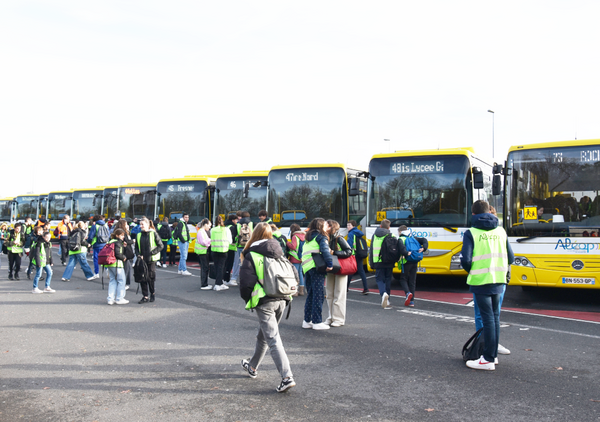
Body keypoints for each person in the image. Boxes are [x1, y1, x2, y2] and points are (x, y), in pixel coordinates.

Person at [239, 222, 296, 393]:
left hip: (265, 300)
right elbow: (293, 273)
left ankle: (287, 377)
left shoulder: (252, 255)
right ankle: (253, 366)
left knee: (272, 338)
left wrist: (249, 299)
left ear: (254, 234)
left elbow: (246, 283)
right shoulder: (279, 251)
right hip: (283, 298)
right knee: (263, 334)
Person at [461, 200, 514, 371]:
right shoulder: (501, 231)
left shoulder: (472, 233)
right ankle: (493, 355)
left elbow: (466, 259)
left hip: (481, 280)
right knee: (495, 317)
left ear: (473, 214)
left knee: (487, 319)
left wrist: (472, 270)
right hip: (499, 278)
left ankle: (488, 359)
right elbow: (511, 258)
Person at [301, 218, 333, 330]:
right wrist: (330, 263)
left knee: (310, 294)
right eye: (324, 224)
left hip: (306, 267)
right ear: (320, 226)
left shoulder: (307, 238)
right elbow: (325, 250)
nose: (326, 226)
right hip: (316, 267)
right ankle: (317, 321)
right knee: (318, 295)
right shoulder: (321, 237)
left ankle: (307, 320)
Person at [325, 220, 352, 327]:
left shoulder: (339, 238)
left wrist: (334, 253)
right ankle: (331, 317)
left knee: (339, 294)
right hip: (332, 268)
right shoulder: (327, 238)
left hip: (340, 268)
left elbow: (348, 251)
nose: (324, 227)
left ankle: (339, 319)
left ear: (332, 227)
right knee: (330, 294)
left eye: (327, 225)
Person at [397, 225, 428, 307]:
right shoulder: (414, 238)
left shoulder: (401, 239)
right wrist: (424, 248)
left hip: (407, 261)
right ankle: (412, 302)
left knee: (403, 279)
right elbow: (424, 240)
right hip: (415, 260)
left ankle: (408, 293)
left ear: (400, 232)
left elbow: (401, 249)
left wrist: (406, 253)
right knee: (412, 280)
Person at [135, 217, 163, 304]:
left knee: (150, 278)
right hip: (142, 260)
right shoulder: (139, 235)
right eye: (140, 224)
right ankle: (145, 296)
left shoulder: (153, 234)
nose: (141, 226)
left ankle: (152, 293)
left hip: (151, 260)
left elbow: (161, 245)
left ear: (147, 225)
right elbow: (136, 248)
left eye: (142, 224)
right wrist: (138, 255)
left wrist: (152, 252)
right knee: (142, 278)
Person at [369, 219, 395, 309]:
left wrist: (371, 263)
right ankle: (387, 300)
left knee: (379, 279)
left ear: (380, 226)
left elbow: (371, 250)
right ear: (389, 227)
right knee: (388, 280)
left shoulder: (375, 235)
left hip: (378, 261)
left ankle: (383, 293)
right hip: (389, 261)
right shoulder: (391, 235)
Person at [103, 228, 129, 305]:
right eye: (121, 235)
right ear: (117, 235)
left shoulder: (110, 242)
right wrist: (123, 257)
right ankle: (120, 298)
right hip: (117, 264)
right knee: (121, 281)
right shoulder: (118, 243)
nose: (123, 237)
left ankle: (110, 299)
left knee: (112, 281)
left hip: (109, 263)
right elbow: (117, 254)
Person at [346, 220, 369, 295]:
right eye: (347, 225)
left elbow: (349, 245)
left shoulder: (351, 234)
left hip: (353, 254)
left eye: (349, 225)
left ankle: (346, 288)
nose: (348, 227)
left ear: (353, 226)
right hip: (360, 253)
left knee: (350, 271)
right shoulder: (359, 233)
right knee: (361, 271)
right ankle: (366, 288)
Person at [210, 215, 232, 291]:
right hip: (223, 250)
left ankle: (220, 283)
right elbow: (230, 241)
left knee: (217, 267)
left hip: (214, 250)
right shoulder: (226, 229)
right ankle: (218, 284)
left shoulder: (212, 229)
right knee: (221, 267)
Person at [112, 219, 135, 290]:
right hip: (124, 252)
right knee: (126, 268)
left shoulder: (121, 231)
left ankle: (125, 283)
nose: (128, 225)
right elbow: (125, 241)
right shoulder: (122, 233)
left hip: (124, 252)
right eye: (126, 224)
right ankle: (123, 284)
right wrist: (133, 241)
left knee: (127, 268)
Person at [231, 211, 253, 284]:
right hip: (249, 246)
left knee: (237, 263)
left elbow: (235, 236)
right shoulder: (251, 224)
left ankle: (234, 278)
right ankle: (247, 279)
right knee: (248, 263)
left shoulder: (238, 225)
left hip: (239, 245)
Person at [286, 223, 305, 296]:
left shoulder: (295, 236)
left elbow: (293, 247)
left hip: (295, 257)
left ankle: (295, 291)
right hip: (301, 257)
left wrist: (287, 243)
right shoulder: (304, 235)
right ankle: (302, 291)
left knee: (294, 274)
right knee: (300, 273)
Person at [87, 215, 109, 279]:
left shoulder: (95, 226)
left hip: (97, 244)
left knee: (96, 259)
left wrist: (89, 242)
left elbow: (91, 236)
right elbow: (109, 235)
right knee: (105, 258)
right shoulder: (106, 225)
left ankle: (96, 273)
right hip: (105, 244)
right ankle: (107, 270)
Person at [195, 218, 212, 290]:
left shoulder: (201, 231)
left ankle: (204, 283)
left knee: (204, 267)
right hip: (202, 252)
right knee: (205, 268)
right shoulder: (201, 232)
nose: (209, 227)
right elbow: (203, 242)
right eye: (209, 225)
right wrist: (210, 242)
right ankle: (204, 284)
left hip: (202, 251)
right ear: (205, 224)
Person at [223, 213, 240, 286]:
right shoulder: (233, 227)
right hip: (231, 247)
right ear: (233, 220)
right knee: (229, 264)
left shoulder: (226, 226)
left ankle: (223, 278)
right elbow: (233, 238)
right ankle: (226, 279)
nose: (237, 221)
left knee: (225, 264)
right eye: (236, 220)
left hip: (225, 246)